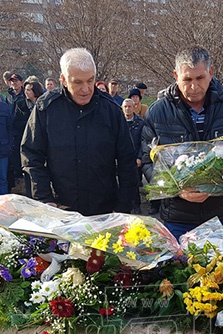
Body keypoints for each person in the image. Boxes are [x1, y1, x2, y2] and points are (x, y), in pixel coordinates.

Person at [140, 46, 223, 239]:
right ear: (176, 75)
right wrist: (177, 190)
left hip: (218, 214)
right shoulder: (157, 112)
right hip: (176, 215)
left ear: (211, 72)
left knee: (216, 268)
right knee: (178, 268)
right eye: (187, 79)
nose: (193, 86)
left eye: (200, 78)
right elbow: (148, 162)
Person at [22, 47, 138, 216]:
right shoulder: (46, 108)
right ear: (63, 79)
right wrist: (45, 200)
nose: (86, 89)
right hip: (60, 209)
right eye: (78, 82)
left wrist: (122, 208)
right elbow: (31, 157)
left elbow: (127, 162)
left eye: (90, 81)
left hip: (105, 212)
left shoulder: (111, 110)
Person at [122, 98, 144, 213]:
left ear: (133, 107)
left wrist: (140, 157)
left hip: (135, 157)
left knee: (134, 182)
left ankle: (136, 205)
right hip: (122, 157)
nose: (127, 109)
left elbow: (143, 141)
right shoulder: (118, 122)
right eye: (125, 106)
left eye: (129, 106)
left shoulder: (140, 123)